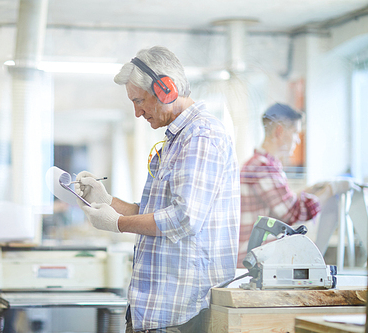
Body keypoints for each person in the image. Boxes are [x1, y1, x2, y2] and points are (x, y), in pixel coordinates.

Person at [75, 46, 240, 332]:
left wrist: (119, 224)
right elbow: (157, 214)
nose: (137, 112)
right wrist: (108, 201)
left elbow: (183, 218)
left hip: (180, 311)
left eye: (139, 101)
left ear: (166, 89)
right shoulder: (178, 139)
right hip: (158, 307)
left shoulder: (200, 136)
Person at [238, 103, 351, 267]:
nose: (298, 140)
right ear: (279, 131)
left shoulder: (263, 164)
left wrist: (312, 189)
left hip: (257, 257)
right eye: (296, 133)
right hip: (256, 259)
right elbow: (293, 213)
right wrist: (330, 190)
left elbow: (284, 201)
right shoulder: (262, 167)